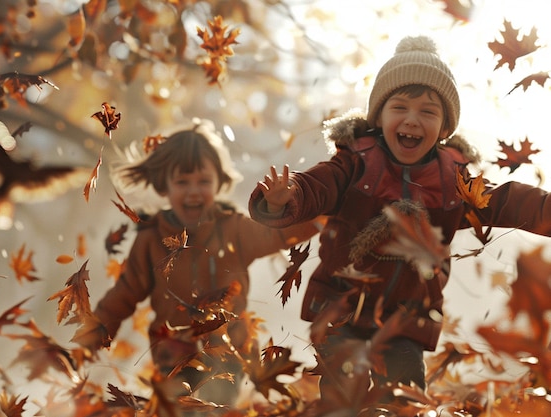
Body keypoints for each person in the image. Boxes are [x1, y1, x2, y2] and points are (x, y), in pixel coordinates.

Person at [248, 35, 551, 414]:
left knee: (405, 397)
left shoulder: (451, 180)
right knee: (343, 391)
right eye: (400, 107)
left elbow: (506, 199)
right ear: (379, 116)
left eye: (428, 112)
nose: (412, 119)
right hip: (343, 305)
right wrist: (284, 197)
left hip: (407, 316)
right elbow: (316, 186)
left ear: (443, 128)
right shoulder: (355, 162)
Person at [94, 119, 319, 409]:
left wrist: (317, 218)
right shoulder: (151, 239)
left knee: (216, 406)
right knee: (179, 407)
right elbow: (125, 293)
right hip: (173, 352)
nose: (193, 191)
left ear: (219, 183)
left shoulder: (233, 229)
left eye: (204, 181)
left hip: (228, 350)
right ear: (164, 186)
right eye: (182, 182)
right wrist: (95, 332)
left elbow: (276, 235)